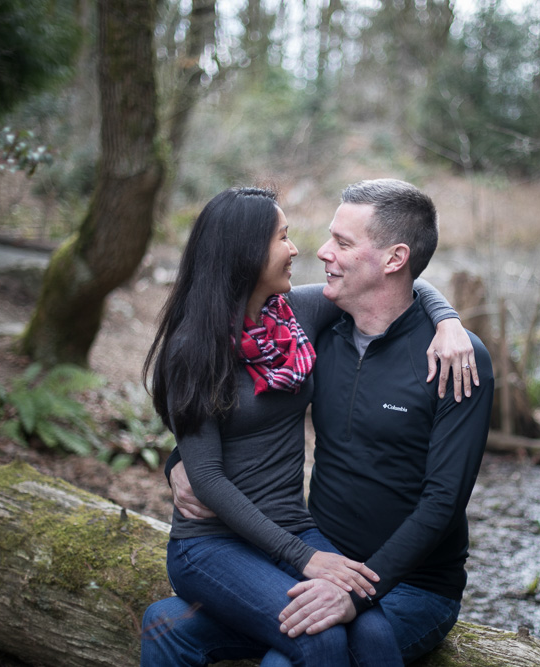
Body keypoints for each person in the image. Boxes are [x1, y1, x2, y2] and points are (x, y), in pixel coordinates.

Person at [142, 179, 494, 665]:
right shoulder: (294, 332)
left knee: (342, 638)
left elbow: (444, 500)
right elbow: (202, 426)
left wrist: (448, 318)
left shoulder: (309, 323)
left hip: (383, 571)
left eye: (342, 243)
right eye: (286, 237)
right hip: (270, 545)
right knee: (287, 635)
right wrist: (181, 460)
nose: (314, 251)